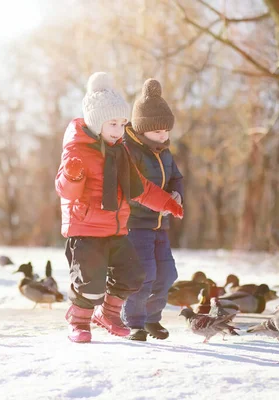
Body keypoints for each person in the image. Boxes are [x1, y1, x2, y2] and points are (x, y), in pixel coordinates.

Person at [55, 72, 183, 343]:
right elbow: (65, 191)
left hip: (115, 229)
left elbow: (140, 188)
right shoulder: (77, 151)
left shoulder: (120, 151)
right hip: (86, 229)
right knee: (90, 283)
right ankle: (78, 321)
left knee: (134, 274)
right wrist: (73, 175)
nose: (118, 130)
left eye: (123, 124)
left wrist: (167, 202)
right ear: (96, 122)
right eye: (112, 123)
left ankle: (109, 314)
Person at [121, 78, 184, 341]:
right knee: (143, 274)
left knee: (167, 273)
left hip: (160, 223)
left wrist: (177, 195)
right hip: (136, 224)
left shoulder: (164, 153)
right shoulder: (129, 152)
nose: (164, 136)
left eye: (166, 131)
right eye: (157, 131)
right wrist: (161, 201)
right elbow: (133, 188)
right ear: (142, 128)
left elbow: (176, 178)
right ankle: (134, 321)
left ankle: (152, 318)